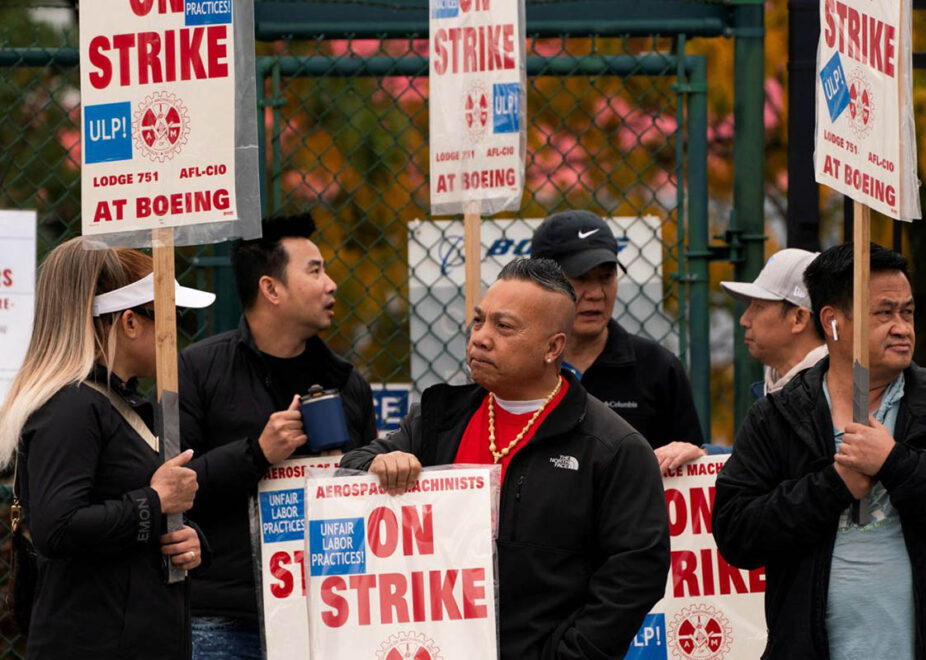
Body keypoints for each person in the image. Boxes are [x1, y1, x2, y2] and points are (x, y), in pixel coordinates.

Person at [341, 258, 669, 659]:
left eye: (504, 327)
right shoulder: (438, 419)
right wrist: (378, 465)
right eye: (479, 321)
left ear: (553, 347)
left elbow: (636, 574)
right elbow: (349, 471)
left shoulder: (613, 446)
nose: (480, 337)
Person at [712, 243, 926, 659]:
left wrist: (896, 464)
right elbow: (737, 534)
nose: (902, 327)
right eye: (884, 313)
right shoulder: (778, 417)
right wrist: (833, 486)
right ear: (833, 322)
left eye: (907, 312)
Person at [0, 238, 213, 659]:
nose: (175, 331)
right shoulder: (72, 407)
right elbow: (56, 527)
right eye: (167, 315)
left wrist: (186, 538)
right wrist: (154, 502)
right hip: (94, 641)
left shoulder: (117, 403)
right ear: (130, 322)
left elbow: (125, 514)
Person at [179, 214, 377, 657]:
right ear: (270, 289)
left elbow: (370, 503)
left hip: (330, 612)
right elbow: (172, 489)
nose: (331, 284)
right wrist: (257, 452)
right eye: (315, 270)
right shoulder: (198, 370)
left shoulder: (346, 382)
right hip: (227, 616)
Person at [530, 210, 705, 456]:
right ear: (541, 282)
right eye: (580, 278)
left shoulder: (657, 369)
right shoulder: (519, 365)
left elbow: (690, 474)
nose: (596, 294)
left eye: (606, 277)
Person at [656, 248, 826, 472]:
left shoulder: (832, 395)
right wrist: (707, 457)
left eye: (758, 307)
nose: (744, 320)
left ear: (799, 318)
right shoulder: (787, 387)